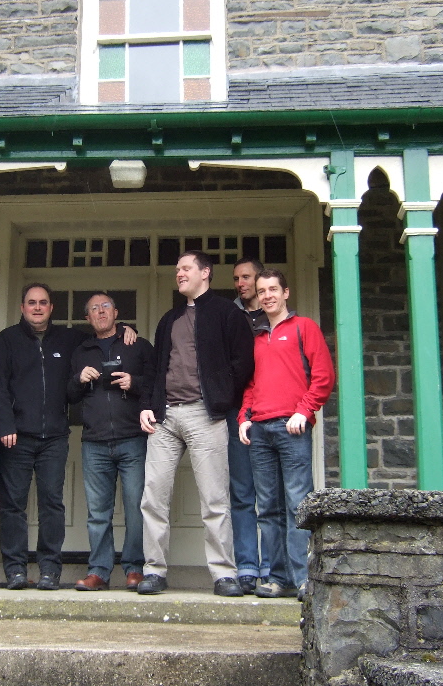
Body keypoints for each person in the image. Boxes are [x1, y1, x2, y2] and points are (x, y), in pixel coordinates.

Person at [0, 283, 135, 590]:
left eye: (43, 302)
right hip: (16, 436)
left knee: (52, 504)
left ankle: (49, 570)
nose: (38, 307)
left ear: (51, 307)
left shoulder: (69, 339)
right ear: (22, 307)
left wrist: (123, 328)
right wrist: (5, 426)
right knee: (13, 505)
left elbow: (102, 332)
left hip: (55, 436)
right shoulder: (6, 340)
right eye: (32, 302)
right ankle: (15, 570)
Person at [138, 250, 254, 597]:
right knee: (153, 497)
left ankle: (224, 574)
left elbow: (243, 362)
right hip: (165, 418)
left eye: (186, 268)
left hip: (206, 414)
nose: (179, 273)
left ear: (205, 273)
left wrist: (220, 395)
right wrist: (147, 406)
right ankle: (154, 571)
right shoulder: (169, 319)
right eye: (177, 269)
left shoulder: (227, 313)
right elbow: (156, 369)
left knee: (215, 499)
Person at [238, 268, 335, 601]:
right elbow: (251, 385)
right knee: (267, 508)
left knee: (297, 504)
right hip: (260, 430)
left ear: (285, 293)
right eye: (262, 291)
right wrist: (244, 417)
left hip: (292, 428)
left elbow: (323, 376)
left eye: (273, 289)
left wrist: (304, 411)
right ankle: (278, 578)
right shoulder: (255, 339)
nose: (267, 296)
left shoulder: (304, 328)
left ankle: (304, 579)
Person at [66, 292, 155, 592]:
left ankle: (135, 569)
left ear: (116, 313)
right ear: (87, 317)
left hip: (132, 439)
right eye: (94, 308)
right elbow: (69, 396)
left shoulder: (137, 345)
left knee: (136, 508)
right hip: (95, 442)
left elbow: (157, 384)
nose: (101, 312)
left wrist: (135, 382)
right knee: (98, 513)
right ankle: (99, 572)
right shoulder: (80, 351)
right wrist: (78, 379)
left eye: (106, 306)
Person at [228, 257, 267, 593]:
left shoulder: (277, 315)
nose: (241, 283)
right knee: (241, 492)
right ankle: (247, 567)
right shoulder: (228, 315)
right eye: (237, 278)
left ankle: (272, 567)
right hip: (235, 409)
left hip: (271, 409)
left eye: (246, 277)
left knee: (271, 495)